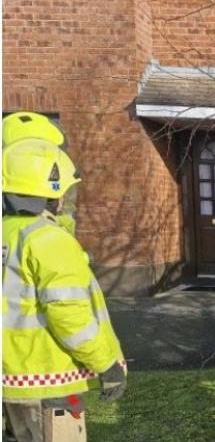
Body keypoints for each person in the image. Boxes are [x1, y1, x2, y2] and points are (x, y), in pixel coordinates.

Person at [2, 137, 127, 442]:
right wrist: (105, 364)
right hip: (49, 383)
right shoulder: (49, 240)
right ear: (50, 193)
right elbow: (69, 316)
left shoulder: (8, 233)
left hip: (11, 381)